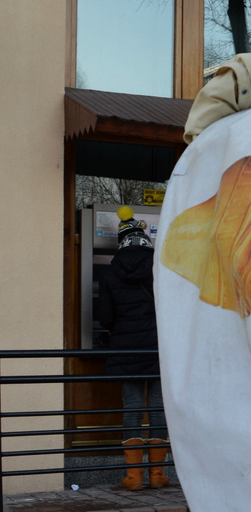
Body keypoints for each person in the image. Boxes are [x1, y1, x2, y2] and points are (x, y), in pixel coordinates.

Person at [97, 207, 169, 490]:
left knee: (132, 408)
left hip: (126, 350)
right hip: (157, 349)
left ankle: (134, 477)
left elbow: (105, 318)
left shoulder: (111, 273)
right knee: (158, 409)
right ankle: (158, 475)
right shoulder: (160, 269)